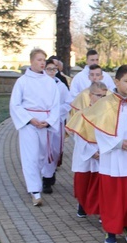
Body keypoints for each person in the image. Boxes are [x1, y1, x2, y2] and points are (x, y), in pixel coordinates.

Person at [74, 64, 127, 243]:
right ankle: (111, 230)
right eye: (126, 81)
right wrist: (118, 143)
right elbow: (100, 129)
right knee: (112, 196)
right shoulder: (105, 104)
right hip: (113, 157)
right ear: (116, 81)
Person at [9, 48, 60, 207]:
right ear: (31, 61)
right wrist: (30, 119)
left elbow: (55, 105)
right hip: (29, 123)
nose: (42, 62)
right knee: (30, 156)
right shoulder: (22, 81)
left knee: (42, 156)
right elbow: (15, 104)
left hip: (44, 123)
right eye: (39, 59)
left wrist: (49, 120)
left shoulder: (50, 82)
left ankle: (36, 181)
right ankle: (35, 191)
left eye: (44, 60)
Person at [66, 81, 108, 218]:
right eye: (98, 95)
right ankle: (83, 204)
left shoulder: (109, 115)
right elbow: (78, 136)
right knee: (83, 185)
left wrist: (103, 150)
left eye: (104, 96)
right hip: (86, 154)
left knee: (101, 185)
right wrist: (91, 151)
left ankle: (101, 211)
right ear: (90, 96)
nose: (101, 99)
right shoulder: (82, 114)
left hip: (103, 153)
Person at [41, 58, 72, 194]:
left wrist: (56, 112)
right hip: (41, 123)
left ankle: (51, 171)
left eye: (54, 69)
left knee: (55, 150)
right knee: (43, 151)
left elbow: (68, 102)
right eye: (49, 69)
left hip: (56, 122)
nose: (52, 72)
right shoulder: (39, 85)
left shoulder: (60, 85)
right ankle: (45, 179)